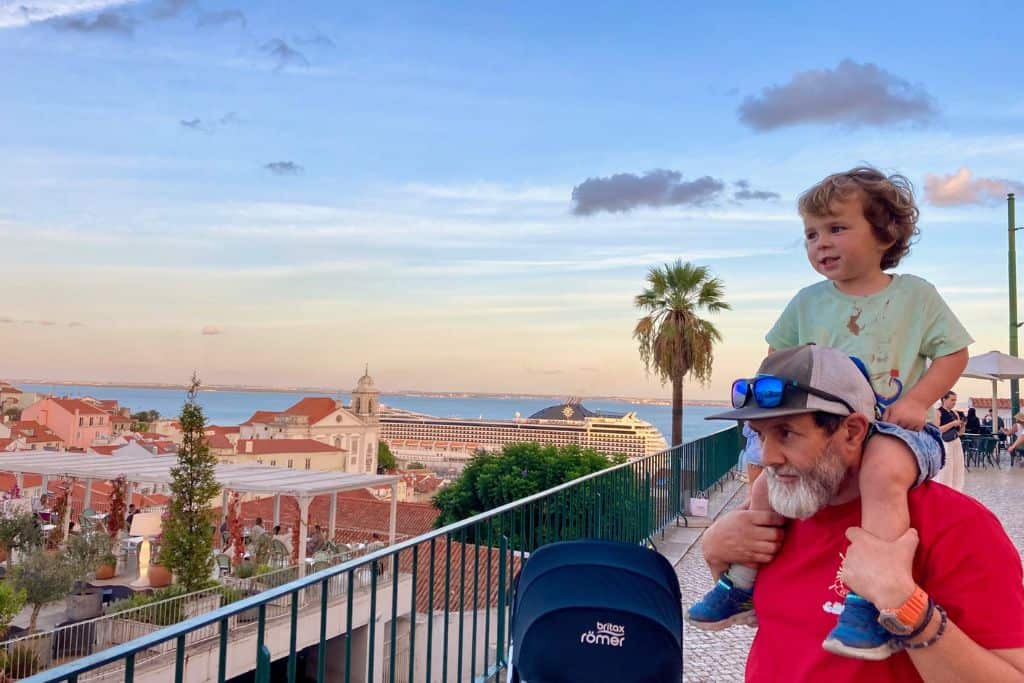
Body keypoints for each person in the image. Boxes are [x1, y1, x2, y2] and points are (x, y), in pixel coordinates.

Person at [688, 167, 973, 660]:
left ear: (885, 233)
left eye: (837, 228)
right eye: (811, 234)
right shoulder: (806, 303)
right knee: (762, 488)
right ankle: (743, 581)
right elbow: (778, 361)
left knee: (881, 473)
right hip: (829, 432)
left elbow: (953, 354)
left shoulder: (914, 296)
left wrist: (918, 400)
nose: (822, 242)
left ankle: (867, 598)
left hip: (893, 430)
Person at [699, 345, 1024, 680]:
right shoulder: (782, 513)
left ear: (852, 431)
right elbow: (779, 620)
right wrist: (715, 554)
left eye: (786, 433)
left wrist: (907, 608)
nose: (768, 456)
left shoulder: (957, 526)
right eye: (759, 434)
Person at [934, 391, 965, 491]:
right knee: (946, 468)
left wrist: (963, 424)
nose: (954, 402)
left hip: (956, 442)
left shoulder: (955, 413)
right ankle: (944, 489)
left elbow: (960, 433)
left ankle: (956, 489)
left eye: (955, 400)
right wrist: (952, 424)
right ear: (944, 400)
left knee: (957, 467)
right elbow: (937, 429)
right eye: (952, 400)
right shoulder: (938, 412)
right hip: (945, 443)